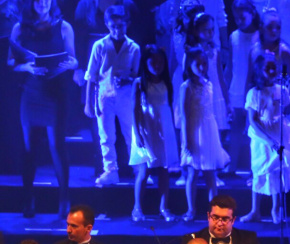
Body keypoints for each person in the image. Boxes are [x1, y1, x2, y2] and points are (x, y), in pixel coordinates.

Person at [9, 0, 78, 218]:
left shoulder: (64, 26)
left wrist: (68, 65)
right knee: (30, 148)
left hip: (55, 92)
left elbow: (74, 59)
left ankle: (64, 199)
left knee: (57, 145)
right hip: (31, 92)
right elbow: (12, 62)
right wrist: (27, 66)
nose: (43, 4)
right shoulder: (20, 27)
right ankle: (28, 199)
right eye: (38, 0)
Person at [241, 53, 290, 224]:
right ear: (259, 71)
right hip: (261, 136)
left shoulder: (280, 90)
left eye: (274, 67)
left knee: (276, 169)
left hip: (277, 131)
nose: (272, 71)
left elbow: (286, 108)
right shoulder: (254, 93)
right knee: (259, 169)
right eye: (268, 68)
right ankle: (255, 210)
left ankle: (276, 209)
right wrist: (268, 140)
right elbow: (252, 120)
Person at [83, 5, 138, 187]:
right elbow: (91, 75)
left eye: (120, 26)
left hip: (126, 96)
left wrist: (128, 79)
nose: (117, 29)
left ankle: (139, 169)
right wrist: (88, 103)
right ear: (107, 25)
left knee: (131, 132)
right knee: (106, 135)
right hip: (104, 95)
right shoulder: (99, 46)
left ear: (127, 24)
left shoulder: (133, 48)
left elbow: (137, 75)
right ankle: (110, 170)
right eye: (113, 26)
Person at [179, 46, 231, 220]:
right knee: (193, 172)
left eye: (204, 63)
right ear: (189, 65)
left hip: (209, 130)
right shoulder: (186, 87)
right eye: (198, 64)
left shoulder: (208, 84)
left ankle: (214, 211)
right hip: (194, 131)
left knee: (211, 173)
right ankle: (190, 209)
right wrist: (187, 140)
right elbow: (185, 115)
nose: (202, 67)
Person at [130, 45, 178, 222]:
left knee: (164, 170)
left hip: (163, 129)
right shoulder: (139, 83)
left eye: (160, 61)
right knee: (144, 171)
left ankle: (164, 207)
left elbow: (168, 107)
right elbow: (135, 110)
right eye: (153, 61)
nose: (157, 65)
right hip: (145, 129)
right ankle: (137, 208)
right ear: (146, 62)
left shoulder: (166, 83)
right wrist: (139, 133)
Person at [225, 0, 260, 175]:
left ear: (252, 13)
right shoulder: (233, 36)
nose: (239, 19)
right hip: (237, 88)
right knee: (236, 128)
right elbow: (230, 67)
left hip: (254, 89)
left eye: (243, 15)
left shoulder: (260, 36)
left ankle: (255, 167)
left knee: (254, 128)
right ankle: (232, 165)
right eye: (236, 15)